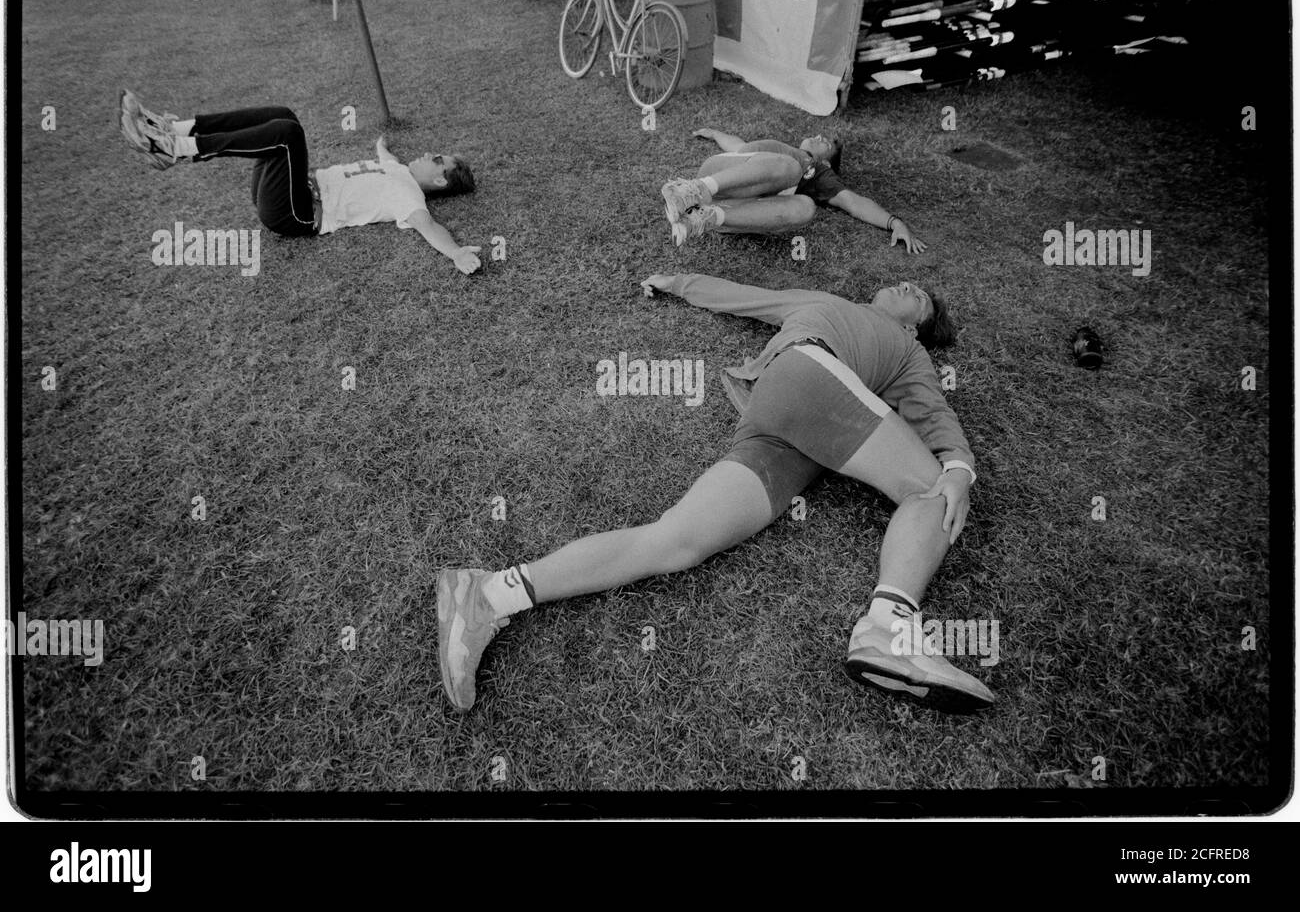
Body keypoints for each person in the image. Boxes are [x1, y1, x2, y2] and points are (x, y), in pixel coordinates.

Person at [436, 273, 993, 715]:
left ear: (917, 330)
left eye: (920, 299)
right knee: (929, 490)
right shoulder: (824, 302)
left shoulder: (905, 352)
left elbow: (934, 413)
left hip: (788, 415)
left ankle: (489, 594)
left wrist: (960, 463)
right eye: (908, 283)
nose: (910, 287)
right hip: (802, 377)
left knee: (676, 543)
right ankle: (889, 627)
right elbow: (748, 299)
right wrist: (675, 280)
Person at [118, 89, 483, 274]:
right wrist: (381, 143)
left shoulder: (411, 200)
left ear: (438, 180)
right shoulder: (398, 169)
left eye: (437, 159)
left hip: (296, 213)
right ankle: (172, 129)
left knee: (288, 134)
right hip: (280, 189)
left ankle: (177, 148)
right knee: (283, 116)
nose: (429, 154)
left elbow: (430, 227)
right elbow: (384, 154)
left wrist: (456, 253)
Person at [660, 128, 926, 255]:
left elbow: (852, 201)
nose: (823, 137)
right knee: (788, 165)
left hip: (733, 214)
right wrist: (715, 134)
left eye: (829, 145)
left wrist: (894, 223)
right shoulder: (782, 153)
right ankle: (694, 191)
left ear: (827, 162)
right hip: (718, 176)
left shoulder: (819, 174)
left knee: (806, 207)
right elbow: (739, 148)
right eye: (825, 136)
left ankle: (704, 217)